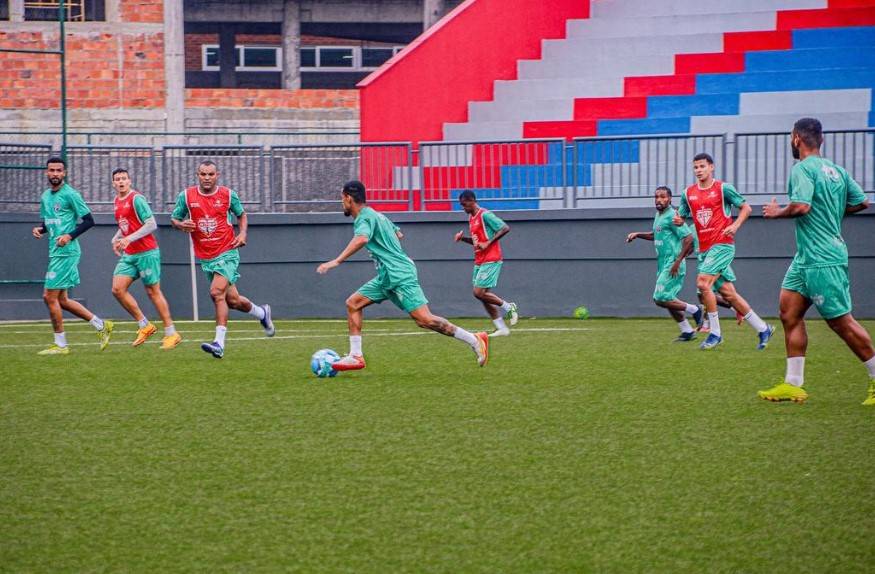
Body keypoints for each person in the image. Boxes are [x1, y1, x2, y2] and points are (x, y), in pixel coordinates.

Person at [758, 117, 875, 405]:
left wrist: (777, 212)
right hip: (806, 259)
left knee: (841, 323)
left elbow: (801, 206)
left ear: (796, 138)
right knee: (789, 312)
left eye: (791, 137)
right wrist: (832, 213)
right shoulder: (836, 170)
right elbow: (862, 202)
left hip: (822, 258)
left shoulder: (802, 168)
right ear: (820, 140)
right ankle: (793, 384)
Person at [317, 180, 489, 370]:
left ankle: (475, 340)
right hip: (386, 276)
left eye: (342, 199)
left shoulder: (363, 219)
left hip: (399, 274)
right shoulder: (377, 215)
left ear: (349, 199)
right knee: (353, 303)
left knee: (425, 320)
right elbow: (399, 234)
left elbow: (362, 238)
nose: (342, 203)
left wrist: (337, 260)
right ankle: (356, 356)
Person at [170, 160, 274, 359]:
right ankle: (262, 313)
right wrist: (181, 225)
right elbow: (174, 218)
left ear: (217, 175)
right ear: (197, 175)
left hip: (227, 251)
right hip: (205, 256)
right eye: (203, 174)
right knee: (232, 301)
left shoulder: (228, 194)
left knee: (216, 293)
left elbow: (241, 215)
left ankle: (219, 343)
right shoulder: (186, 196)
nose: (207, 178)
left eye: (210, 174)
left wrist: (242, 234)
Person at [674, 153, 774, 350]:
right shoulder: (688, 193)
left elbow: (746, 208)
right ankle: (763, 328)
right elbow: (682, 216)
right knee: (728, 294)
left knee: (703, 283)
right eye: (695, 167)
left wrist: (735, 226)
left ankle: (715, 333)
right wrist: (679, 220)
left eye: (702, 166)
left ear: (711, 167)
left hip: (722, 245)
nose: (699, 170)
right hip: (704, 250)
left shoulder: (723, 188)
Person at [32, 157, 113, 355]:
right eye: (51, 170)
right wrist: (40, 230)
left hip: (66, 252)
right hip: (55, 251)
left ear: (64, 173)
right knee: (62, 300)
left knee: (48, 297)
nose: (55, 174)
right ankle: (101, 325)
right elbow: (51, 222)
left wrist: (69, 236)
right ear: (46, 172)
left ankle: (61, 345)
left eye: (59, 170)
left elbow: (89, 221)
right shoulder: (45, 197)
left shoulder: (71, 195)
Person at [110, 168, 182, 349]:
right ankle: (145, 325)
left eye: (124, 179)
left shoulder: (137, 199)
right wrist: (116, 238)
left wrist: (128, 239)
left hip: (147, 252)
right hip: (130, 254)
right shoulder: (117, 201)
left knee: (153, 292)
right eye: (117, 179)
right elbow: (127, 224)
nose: (121, 182)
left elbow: (151, 224)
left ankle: (171, 333)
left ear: (130, 181)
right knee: (117, 289)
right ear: (113, 183)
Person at [627, 186, 702, 341]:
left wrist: (678, 261)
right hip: (663, 263)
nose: (659, 200)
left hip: (673, 264)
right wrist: (638, 234)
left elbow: (689, 239)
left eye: (663, 197)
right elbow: (656, 235)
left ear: (670, 199)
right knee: (668, 300)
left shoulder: (673, 215)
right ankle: (687, 331)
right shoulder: (659, 215)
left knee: (660, 298)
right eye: (657, 197)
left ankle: (695, 310)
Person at [453, 190, 518, 336]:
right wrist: (463, 239)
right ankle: (502, 328)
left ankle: (509, 307)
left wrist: (488, 243)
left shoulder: (485, 215)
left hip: (491, 258)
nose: (463, 208)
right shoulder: (471, 217)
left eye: (464, 205)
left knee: (478, 292)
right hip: (480, 260)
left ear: (472, 201)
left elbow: (505, 228)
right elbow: (478, 243)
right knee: (482, 295)